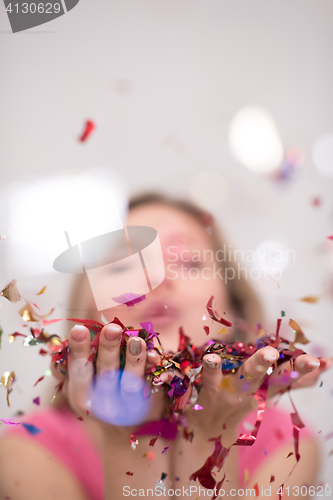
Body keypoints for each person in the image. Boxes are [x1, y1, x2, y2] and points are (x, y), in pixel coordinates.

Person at [0, 193, 330, 500]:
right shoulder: (26, 449)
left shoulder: (285, 444)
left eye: (188, 262)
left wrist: (210, 436)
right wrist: (127, 438)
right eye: (124, 265)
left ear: (235, 308)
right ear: (83, 310)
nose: (156, 279)